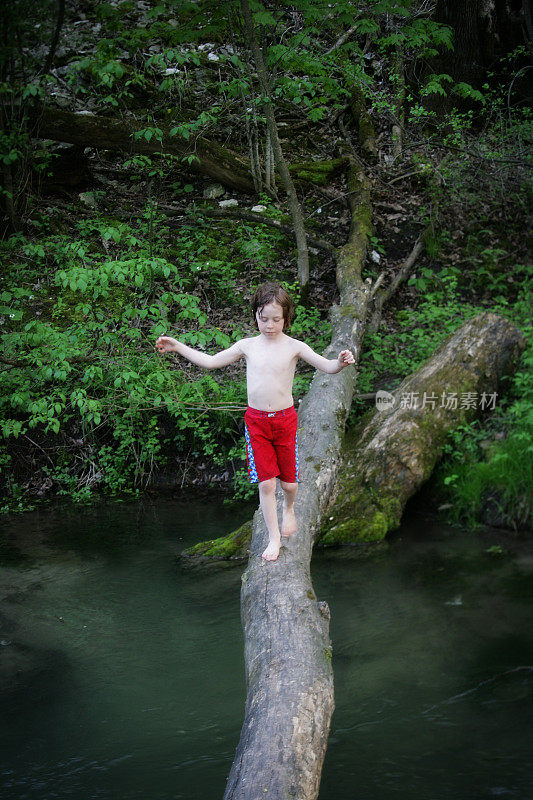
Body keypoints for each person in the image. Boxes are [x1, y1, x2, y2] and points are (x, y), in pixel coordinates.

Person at [155, 281, 355, 562]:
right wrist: (178, 347)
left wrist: (342, 362)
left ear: (286, 318)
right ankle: (274, 538)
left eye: (276, 319)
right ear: (255, 317)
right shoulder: (247, 346)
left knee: (289, 484)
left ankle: (289, 509)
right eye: (264, 318)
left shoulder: (295, 347)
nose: (270, 325)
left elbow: (327, 366)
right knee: (266, 484)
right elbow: (211, 361)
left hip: (285, 420)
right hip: (257, 422)